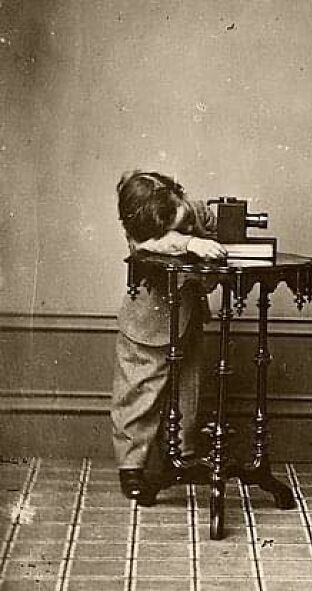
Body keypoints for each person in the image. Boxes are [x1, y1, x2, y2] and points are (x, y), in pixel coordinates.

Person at [111, 170, 226, 506]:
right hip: (149, 320)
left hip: (188, 314)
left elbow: (217, 233)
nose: (187, 225)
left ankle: (182, 455)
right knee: (139, 392)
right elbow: (146, 246)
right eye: (176, 226)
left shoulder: (194, 208)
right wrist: (190, 243)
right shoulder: (138, 229)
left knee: (188, 388)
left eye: (185, 218)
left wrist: (214, 238)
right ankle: (131, 467)